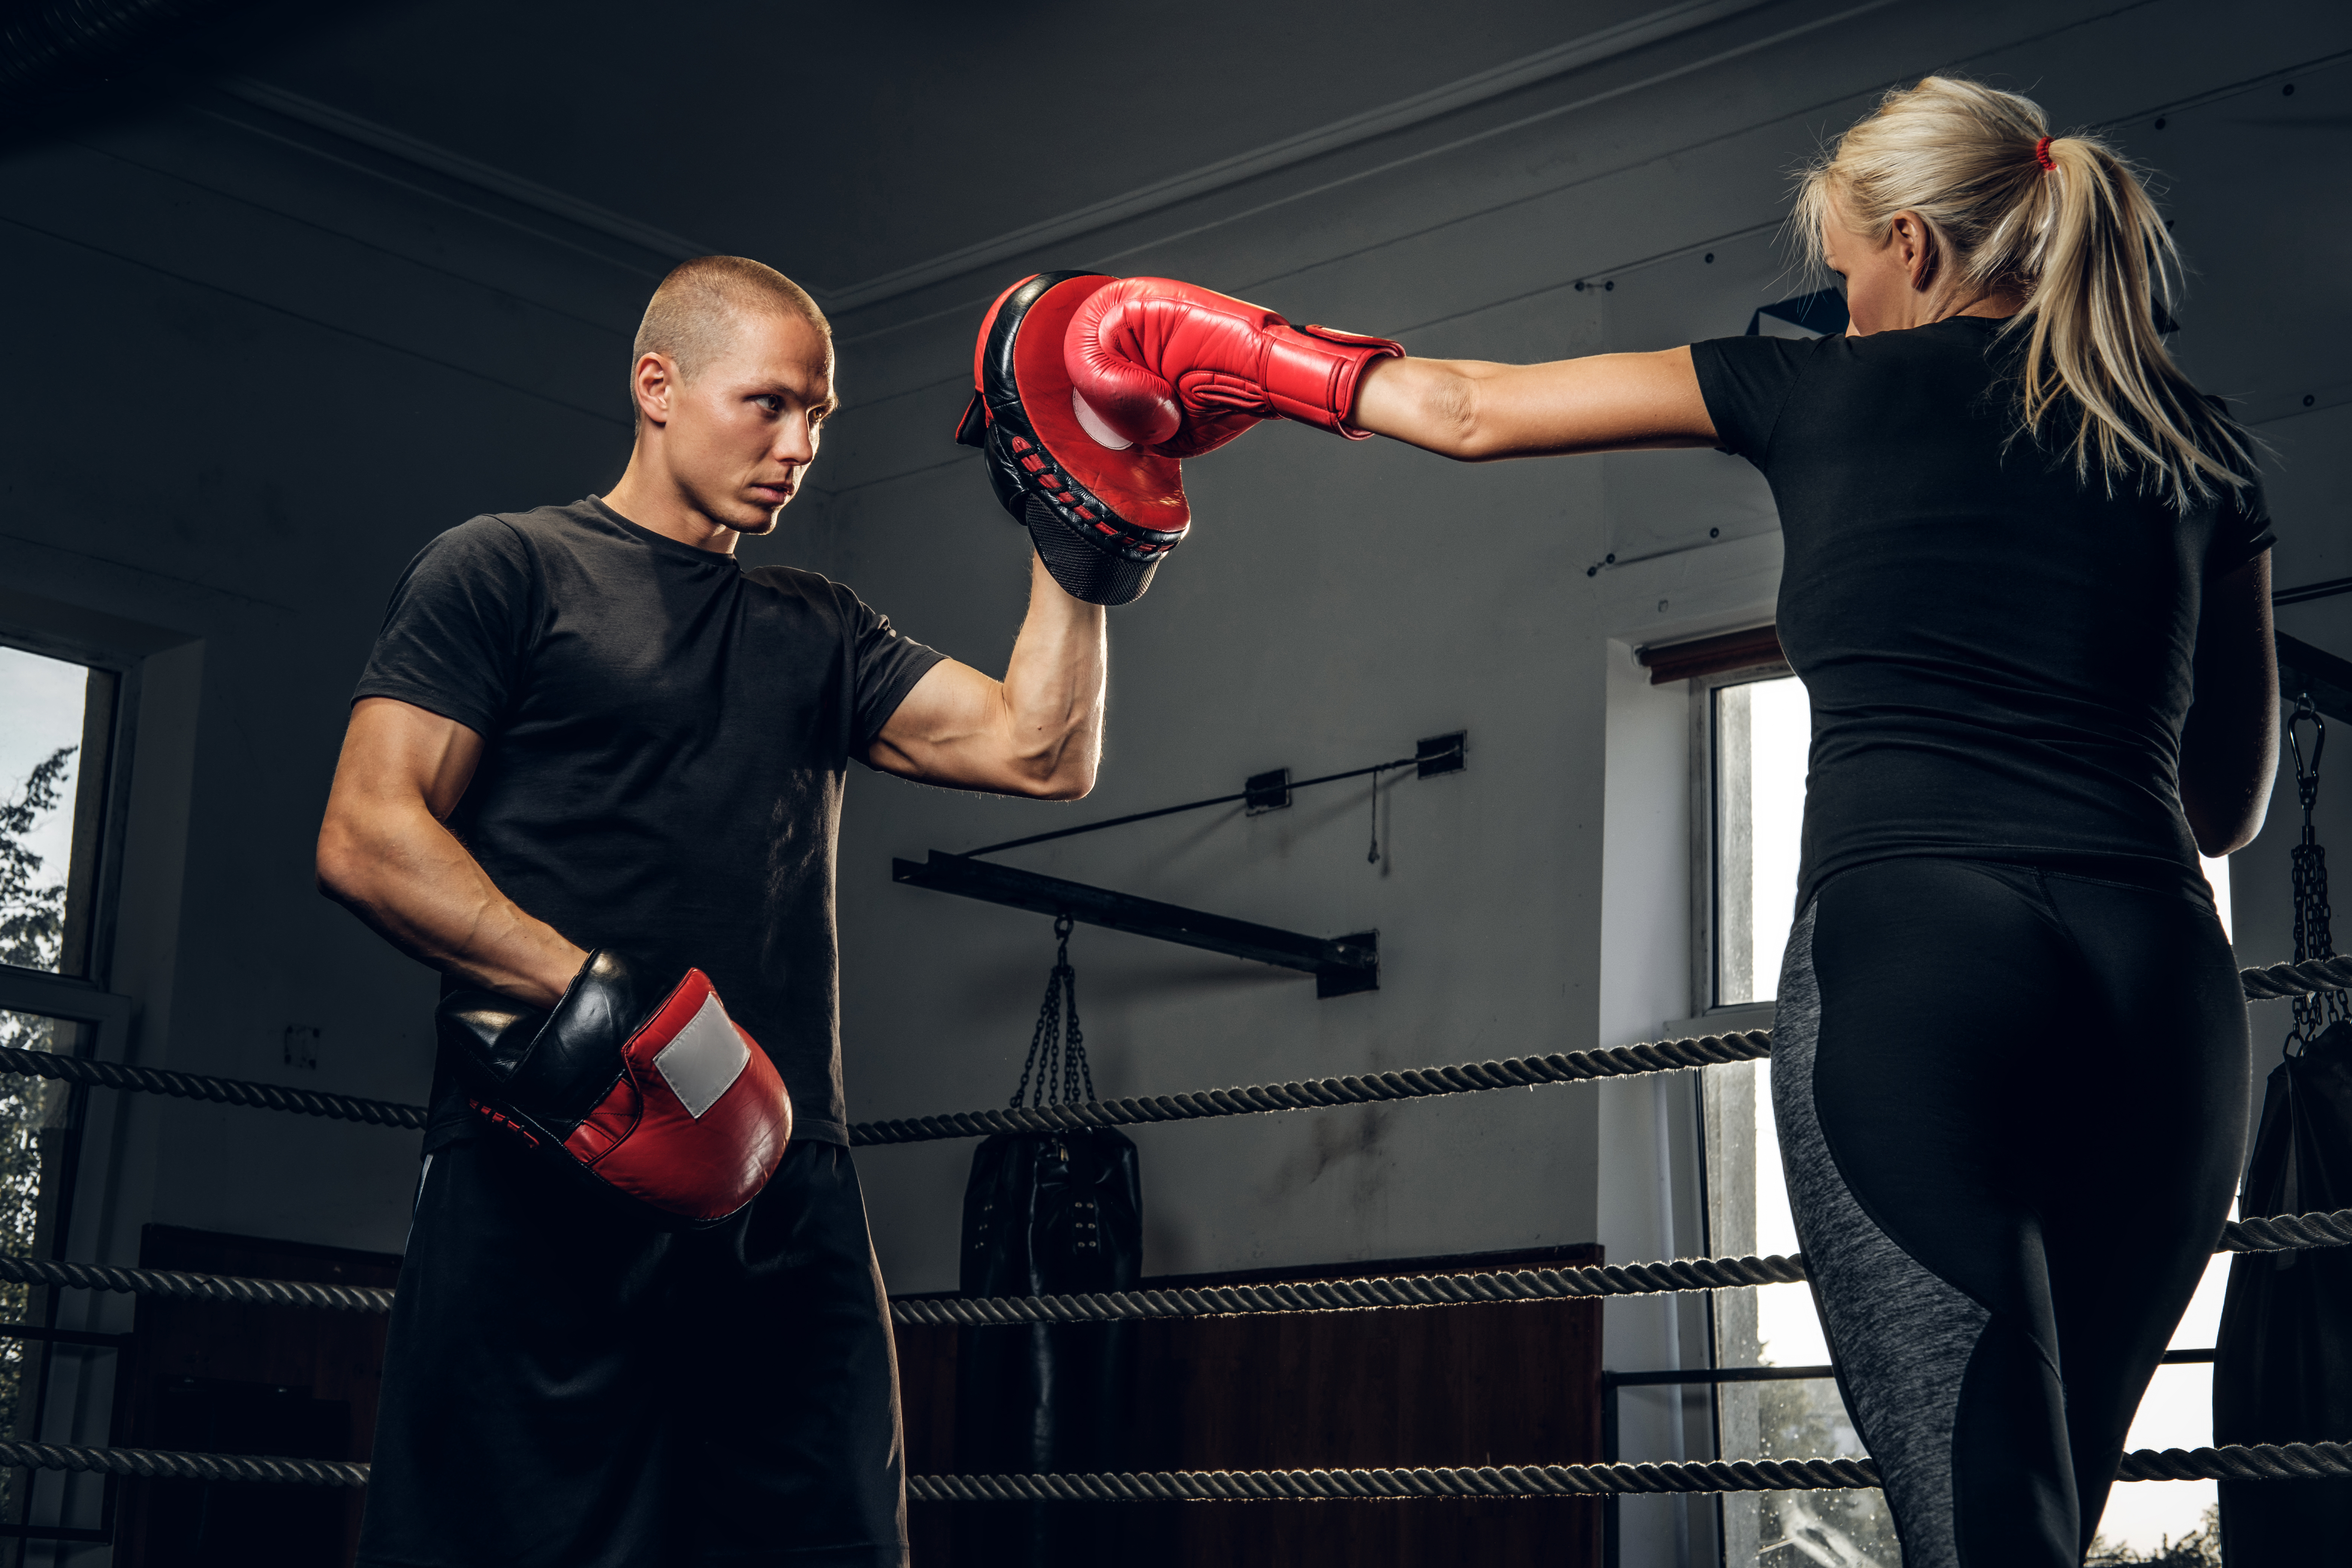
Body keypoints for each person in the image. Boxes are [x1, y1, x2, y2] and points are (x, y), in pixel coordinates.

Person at [1060, 77, 2278, 1567]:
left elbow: (1465, 407)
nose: (1848, 310)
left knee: (1987, 1524)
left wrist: (1204, 344)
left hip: (1921, 972)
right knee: (2040, 1520)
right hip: (2164, 996)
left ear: (1911, 243)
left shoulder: (1814, 389)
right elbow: (2226, 805)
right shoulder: (2202, 443)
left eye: (1846, 278)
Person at [316, 254, 1110, 1568]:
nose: (800, 446)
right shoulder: (505, 571)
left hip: (778, 1176)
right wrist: (605, 1005)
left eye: (820, 416)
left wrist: (1079, 535)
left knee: (829, 1543)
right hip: (554, 1164)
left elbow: (1043, 752)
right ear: (658, 387)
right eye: (769, 405)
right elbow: (370, 831)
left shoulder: (820, 627)